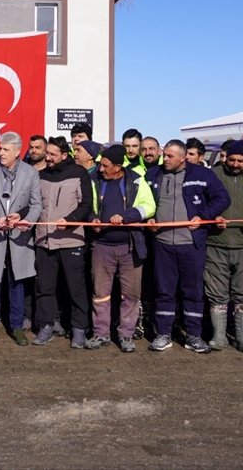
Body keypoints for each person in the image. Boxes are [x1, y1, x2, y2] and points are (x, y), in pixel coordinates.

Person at [143, 140, 230, 353]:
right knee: (164, 290)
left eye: (171, 156)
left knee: (192, 291)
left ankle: (193, 335)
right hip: (162, 244)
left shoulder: (202, 175)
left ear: (183, 158)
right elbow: (144, 202)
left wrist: (204, 216)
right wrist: (150, 219)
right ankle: (163, 334)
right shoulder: (153, 175)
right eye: (165, 155)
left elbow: (222, 198)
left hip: (191, 244)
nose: (166, 159)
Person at [87, 145, 155, 352]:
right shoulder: (95, 180)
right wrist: (92, 219)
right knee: (100, 294)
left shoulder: (136, 180)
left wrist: (127, 216)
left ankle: (126, 335)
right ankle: (101, 334)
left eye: (105, 166)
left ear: (117, 167)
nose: (100, 169)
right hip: (101, 247)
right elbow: (87, 206)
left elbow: (149, 206)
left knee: (130, 295)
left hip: (130, 247)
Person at [0, 132, 41, 346]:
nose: (0, 153)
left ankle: (17, 327)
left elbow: (36, 204)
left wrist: (25, 219)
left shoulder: (31, 173)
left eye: (5, 149)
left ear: (16, 151)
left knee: (17, 283)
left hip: (18, 237)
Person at [31, 137, 93, 348]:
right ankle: (46, 325)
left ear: (64, 156)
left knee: (76, 288)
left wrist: (71, 221)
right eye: (47, 153)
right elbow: (33, 204)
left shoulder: (79, 174)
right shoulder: (40, 176)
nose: (47, 157)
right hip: (44, 240)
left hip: (70, 240)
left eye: (52, 154)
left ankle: (78, 329)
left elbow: (86, 205)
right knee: (44, 288)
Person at [205, 140, 243, 352]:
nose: (236, 164)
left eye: (241, 161)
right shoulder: (213, 175)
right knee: (216, 293)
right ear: (225, 157)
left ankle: (242, 338)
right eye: (232, 159)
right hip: (216, 243)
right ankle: (218, 338)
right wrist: (213, 217)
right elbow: (203, 205)